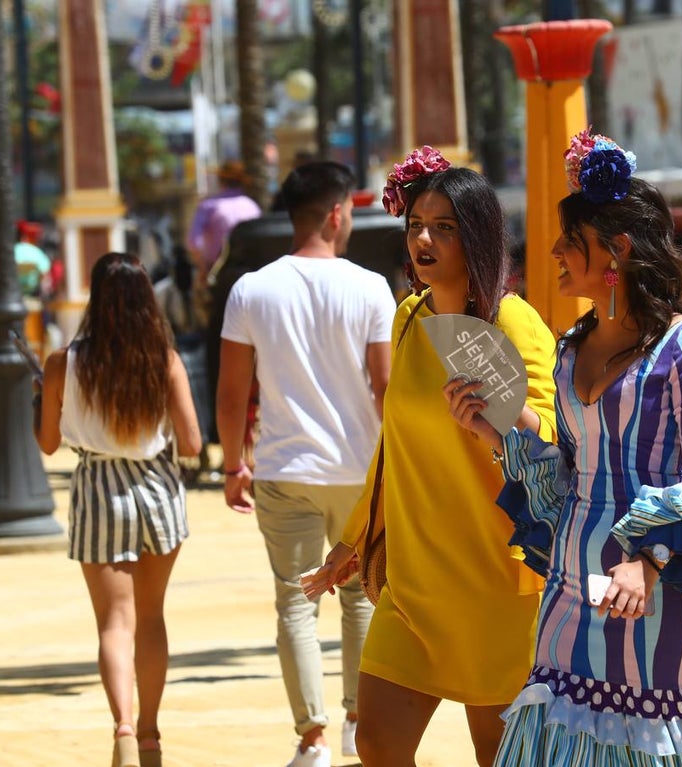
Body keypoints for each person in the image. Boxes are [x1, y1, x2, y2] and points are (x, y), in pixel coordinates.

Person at [450, 131, 682, 766]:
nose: (552, 252)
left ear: (617, 251)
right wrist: (496, 437)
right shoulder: (570, 347)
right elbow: (571, 474)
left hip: (655, 599)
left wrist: (649, 560)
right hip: (570, 593)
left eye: (569, 242)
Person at [303, 148, 558, 767]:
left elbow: (553, 443)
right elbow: (393, 444)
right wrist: (357, 538)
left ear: (477, 237)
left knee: (501, 759)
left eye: (444, 227)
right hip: (414, 585)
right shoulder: (409, 318)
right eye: (417, 223)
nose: (423, 238)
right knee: (378, 746)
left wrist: (500, 420)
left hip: (497, 587)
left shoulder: (515, 322)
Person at [216, 161, 397, 767]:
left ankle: (311, 738)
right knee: (362, 599)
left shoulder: (251, 289)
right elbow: (384, 385)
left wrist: (231, 465)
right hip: (359, 469)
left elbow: (232, 391)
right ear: (338, 213)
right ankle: (356, 722)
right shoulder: (371, 287)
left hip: (283, 467)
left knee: (296, 603)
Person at [33, 252, 202, 767]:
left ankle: (123, 730)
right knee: (150, 618)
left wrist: (51, 399)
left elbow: (47, 444)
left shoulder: (65, 361)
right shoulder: (164, 360)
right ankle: (150, 736)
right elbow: (193, 444)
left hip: (98, 489)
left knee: (114, 622)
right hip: (156, 489)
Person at [155, 245, 214, 483]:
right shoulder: (163, 292)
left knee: (203, 400)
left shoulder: (199, 287)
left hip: (199, 348)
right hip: (176, 349)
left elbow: (206, 319)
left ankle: (206, 452)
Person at [187, 160, 262, 281]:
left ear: (220, 181)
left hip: (218, 273)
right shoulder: (252, 206)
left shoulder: (209, 206)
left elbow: (194, 242)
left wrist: (203, 271)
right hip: (253, 273)